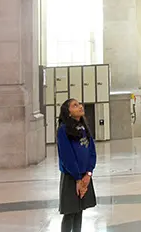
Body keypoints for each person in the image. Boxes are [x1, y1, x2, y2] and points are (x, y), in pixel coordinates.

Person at [57, 98, 97, 232]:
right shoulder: (63, 130)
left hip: (85, 176)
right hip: (71, 177)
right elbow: (67, 156)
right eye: (75, 105)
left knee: (79, 210)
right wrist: (78, 178)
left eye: (79, 104)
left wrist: (88, 174)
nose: (80, 106)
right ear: (68, 113)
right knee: (70, 212)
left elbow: (92, 151)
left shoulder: (84, 127)